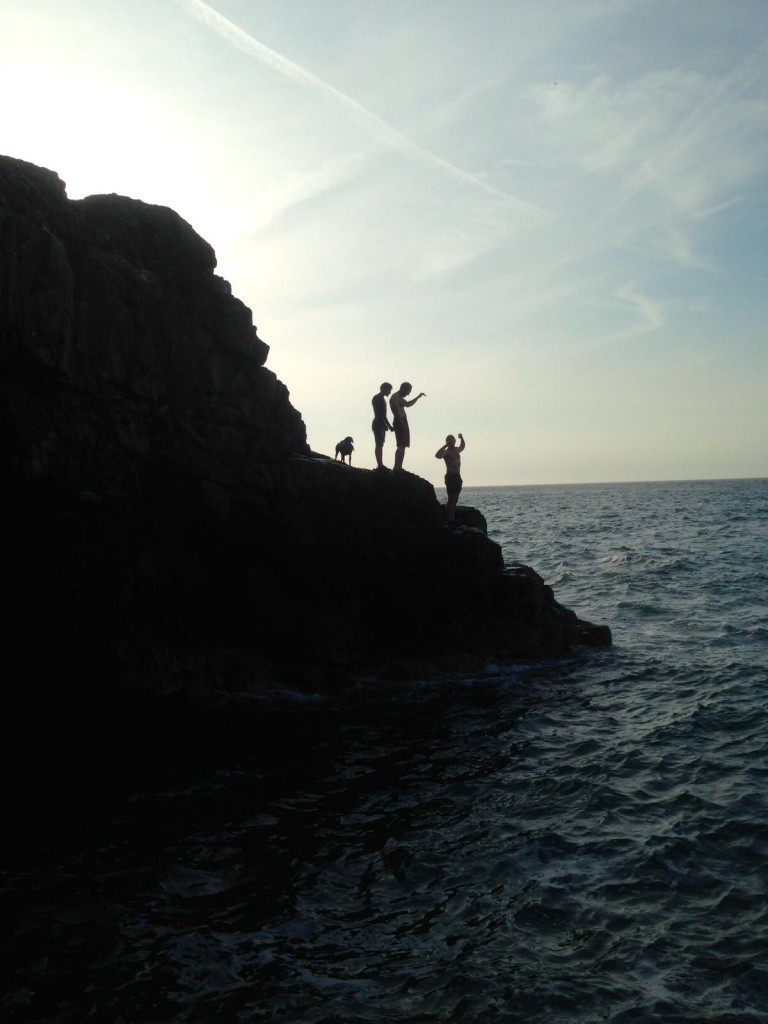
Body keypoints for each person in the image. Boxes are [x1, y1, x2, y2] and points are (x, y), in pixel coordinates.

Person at [389, 382, 426, 472]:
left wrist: (418, 397)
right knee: (401, 445)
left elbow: (408, 404)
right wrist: (401, 422)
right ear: (403, 389)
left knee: (403, 445)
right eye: (408, 391)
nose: (408, 394)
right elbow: (396, 411)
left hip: (402, 421)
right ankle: (397, 467)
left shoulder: (400, 398)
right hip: (400, 421)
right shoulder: (395, 397)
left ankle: (399, 466)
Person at [435, 433, 465, 522]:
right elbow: (437, 455)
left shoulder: (456, 450)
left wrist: (462, 438)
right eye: (450, 440)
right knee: (451, 497)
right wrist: (445, 445)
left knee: (455, 498)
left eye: (453, 440)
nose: (452, 441)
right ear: (447, 441)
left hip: (457, 476)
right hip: (450, 476)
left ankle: (451, 517)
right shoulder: (446, 452)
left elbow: (462, 446)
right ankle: (450, 518)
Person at [371, 382, 394, 469]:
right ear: (384, 389)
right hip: (377, 424)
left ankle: (380, 464)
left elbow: (384, 416)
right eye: (389, 390)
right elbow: (378, 413)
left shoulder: (383, 400)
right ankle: (380, 464)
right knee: (379, 444)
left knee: (381, 444)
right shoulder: (377, 398)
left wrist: (389, 426)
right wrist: (385, 425)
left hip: (381, 424)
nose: (390, 392)